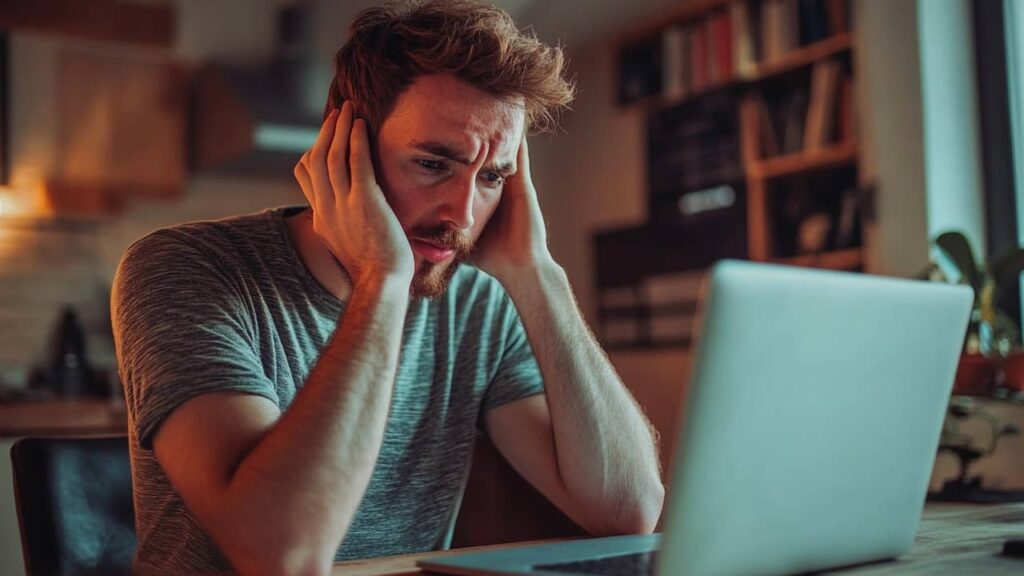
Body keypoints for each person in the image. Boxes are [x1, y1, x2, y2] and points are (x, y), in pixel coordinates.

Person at [111, 1, 664, 574]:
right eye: (432, 164)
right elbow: (281, 551)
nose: (463, 212)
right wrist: (382, 281)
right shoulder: (184, 266)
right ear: (343, 146)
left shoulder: (477, 305)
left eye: (492, 176)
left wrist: (538, 273)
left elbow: (627, 509)